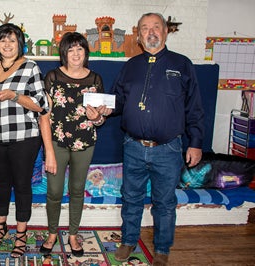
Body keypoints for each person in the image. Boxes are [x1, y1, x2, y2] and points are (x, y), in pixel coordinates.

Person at [111, 13, 204, 266]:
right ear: (139, 36)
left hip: (168, 149)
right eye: (144, 28)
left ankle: (162, 249)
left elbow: (194, 108)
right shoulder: (130, 66)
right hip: (133, 147)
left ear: (165, 31)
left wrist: (195, 142)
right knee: (131, 198)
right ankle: (128, 241)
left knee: (164, 203)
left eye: (155, 27)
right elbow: (117, 100)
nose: (150, 32)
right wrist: (102, 109)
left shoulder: (182, 64)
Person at [0, 23, 55, 258]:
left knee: (21, 186)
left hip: (24, 139)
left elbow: (41, 105)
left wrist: (15, 95)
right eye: (3, 40)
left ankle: (20, 234)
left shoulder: (31, 67)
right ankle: (0, 227)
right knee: (1, 184)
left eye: (12, 40)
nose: (7, 45)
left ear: (19, 44)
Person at [39, 32, 112, 257]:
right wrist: (48, 150)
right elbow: (44, 114)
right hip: (57, 142)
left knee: (77, 190)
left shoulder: (95, 79)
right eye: (71, 49)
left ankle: (72, 234)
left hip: (85, 142)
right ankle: (52, 233)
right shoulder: (52, 77)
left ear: (85, 52)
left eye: (80, 49)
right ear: (64, 53)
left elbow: (100, 119)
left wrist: (98, 117)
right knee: (53, 191)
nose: (76, 53)